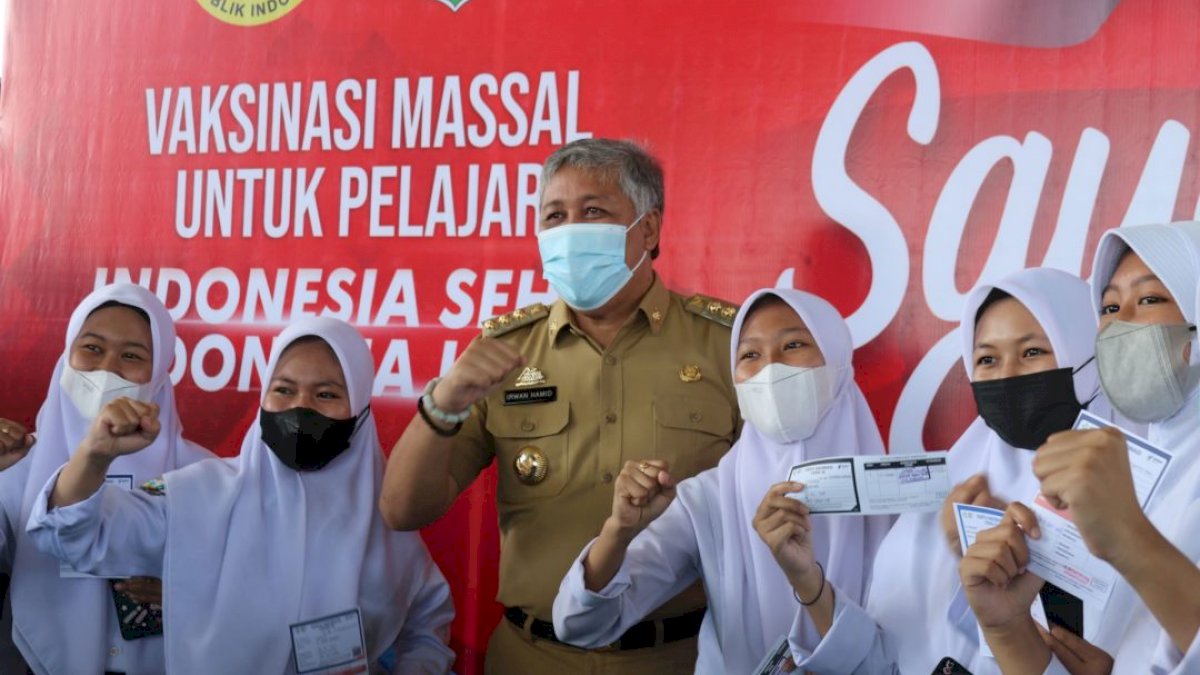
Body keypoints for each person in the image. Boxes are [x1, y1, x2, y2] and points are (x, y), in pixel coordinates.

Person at [379, 138, 739, 673]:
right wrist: (443, 401)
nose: (571, 229)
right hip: (532, 656)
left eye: (593, 211)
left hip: (681, 656)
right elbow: (403, 510)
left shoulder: (729, 345)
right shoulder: (503, 350)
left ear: (648, 229)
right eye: (555, 215)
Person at [27, 317, 455, 674]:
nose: (298, 407)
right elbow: (71, 536)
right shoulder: (200, 495)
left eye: (326, 394)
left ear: (360, 410)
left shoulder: (387, 521)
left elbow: (428, 627)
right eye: (283, 390)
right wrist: (94, 454)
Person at [777, 267, 1108, 673]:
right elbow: (886, 658)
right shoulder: (946, 493)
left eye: (1032, 352)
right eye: (987, 359)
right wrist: (808, 582)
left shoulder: (1129, 495)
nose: (1007, 375)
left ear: (1084, 352)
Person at [550, 288, 892, 673]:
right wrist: (618, 532)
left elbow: (905, 655)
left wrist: (808, 583)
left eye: (793, 344)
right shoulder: (708, 499)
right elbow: (579, 625)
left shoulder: (897, 496)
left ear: (838, 360)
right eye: (749, 355)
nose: (770, 368)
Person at [962, 222, 1200, 673]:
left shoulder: (1118, 487)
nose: (1121, 324)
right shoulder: (1137, 472)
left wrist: (1128, 536)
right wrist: (1008, 629)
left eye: (1149, 299)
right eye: (1109, 306)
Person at [0, 282, 212, 674]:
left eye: (131, 355)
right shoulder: (16, 466)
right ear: (67, 355)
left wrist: (194, 598)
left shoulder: (203, 477)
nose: (108, 367)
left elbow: (238, 586)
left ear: (159, 374)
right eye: (92, 348)